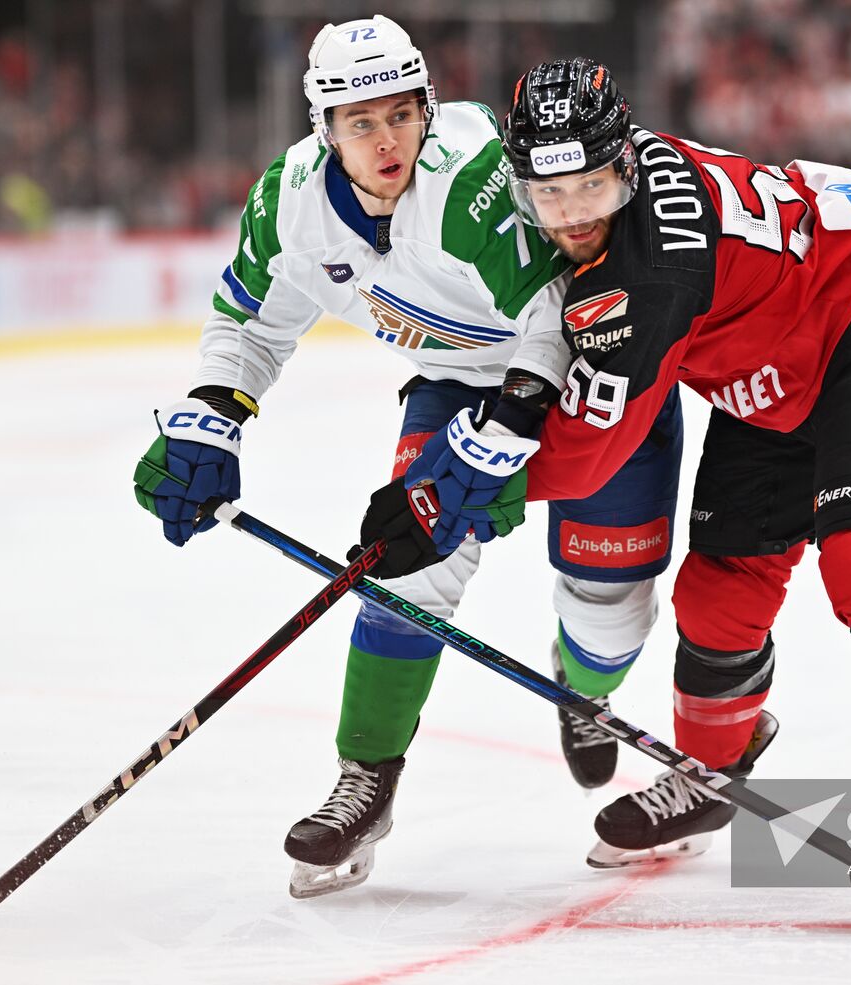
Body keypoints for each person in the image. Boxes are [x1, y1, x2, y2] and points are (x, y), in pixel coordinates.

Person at [368, 57, 851, 928]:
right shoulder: (609, 216)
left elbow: (592, 454)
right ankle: (710, 779)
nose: (570, 219)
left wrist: (446, 504)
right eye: (549, 196)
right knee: (718, 593)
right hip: (767, 366)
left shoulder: (649, 274)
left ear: (624, 169)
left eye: (591, 191)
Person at [131, 18, 682, 899]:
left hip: (595, 367)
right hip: (459, 380)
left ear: (427, 106)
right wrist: (211, 413)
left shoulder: (466, 179)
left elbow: (549, 318)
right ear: (324, 129)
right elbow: (248, 320)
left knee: (609, 609)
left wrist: (500, 437)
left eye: (401, 114)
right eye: (360, 122)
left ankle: (581, 687)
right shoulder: (289, 205)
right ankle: (366, 780)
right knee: (404, 571)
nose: (386, 140)